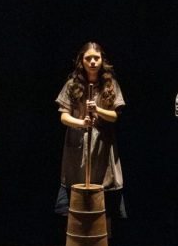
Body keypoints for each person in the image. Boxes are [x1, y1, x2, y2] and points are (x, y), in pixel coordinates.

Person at [53, 42, 127, 222]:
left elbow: (115, 116)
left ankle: (104, 241)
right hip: (78, 142)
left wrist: (98, 111)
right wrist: (81, 122)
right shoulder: (72, 84)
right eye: (88, 58)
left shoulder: (110, 84)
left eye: (96, 58)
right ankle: (76, 239)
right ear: (82, 61)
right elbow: (63, 116)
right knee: (76, 184)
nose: (93, 62)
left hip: (102, 144)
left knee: (104, 185)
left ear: (102, 60)